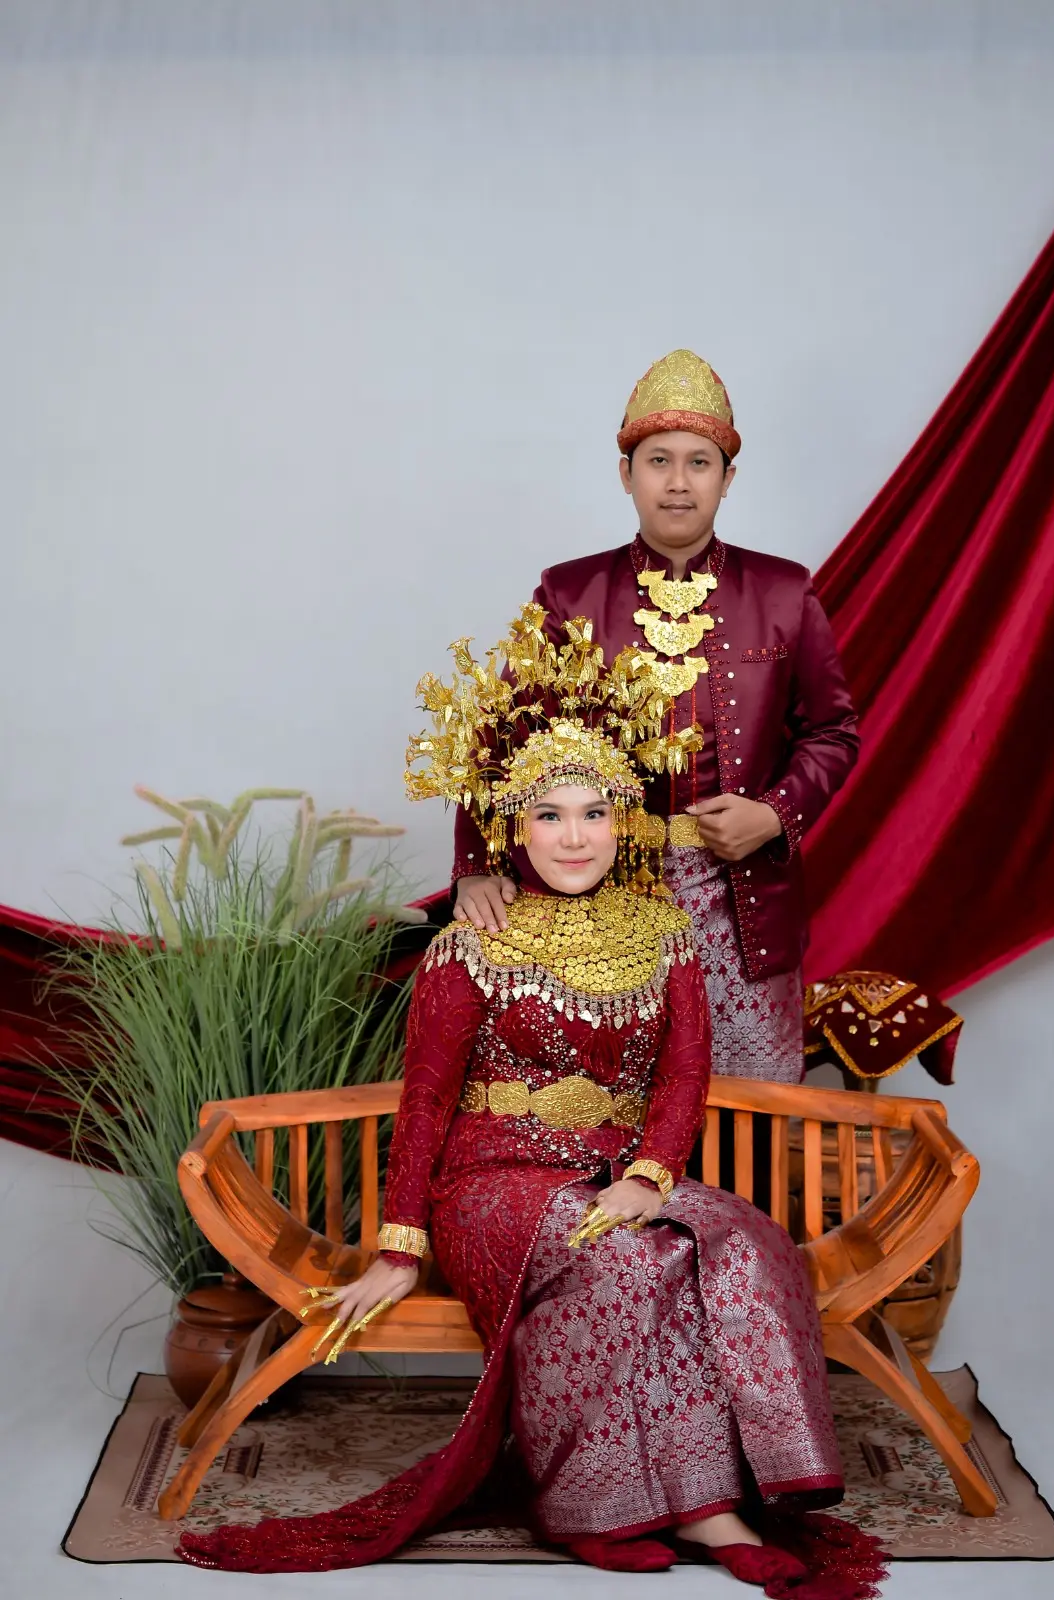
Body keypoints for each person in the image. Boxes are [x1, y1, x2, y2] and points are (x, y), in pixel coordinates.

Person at [177, 609, 885, 1597]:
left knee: (743, 1241)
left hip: (612, 1176)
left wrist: (649, 1175)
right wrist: (396, 1248)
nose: (573, 836)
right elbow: (425, 1104)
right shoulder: (472, 940)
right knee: (631, 1261)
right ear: (512, 827)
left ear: (623, 821)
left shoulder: (663, 932)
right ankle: (602, 1507)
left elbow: (683, 1076)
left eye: (593, 812)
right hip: (491, 1186)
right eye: (549, 815)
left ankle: (713, 1496)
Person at [452, 350, 859, 1084]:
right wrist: (476, 868)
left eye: (699, 463)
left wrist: (774, 814)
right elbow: (503, 737)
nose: (678, 482)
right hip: (598, 893)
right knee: (615, 1109)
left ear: (727, 480)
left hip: (746, 903)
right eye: (658, 461)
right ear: (626, 474)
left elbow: (832, 732)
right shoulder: (569, 593)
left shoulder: (784, 591)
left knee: (750, 1113)